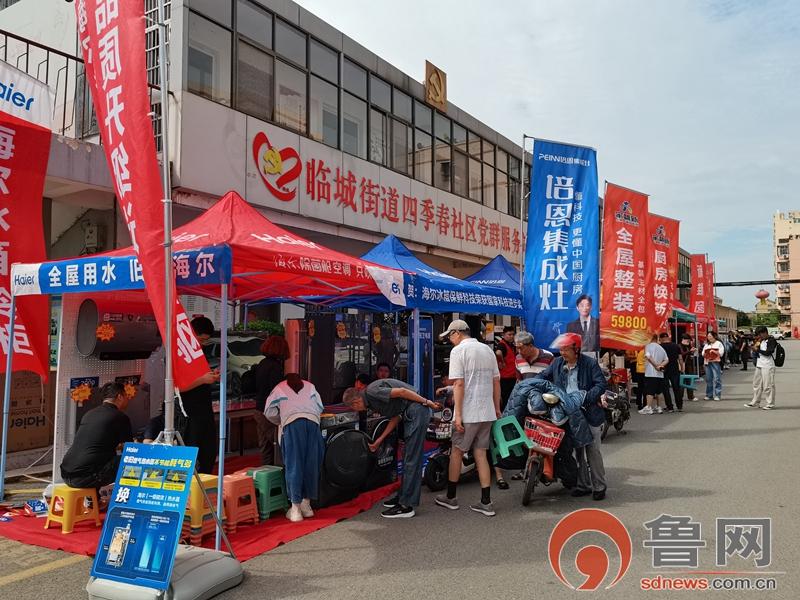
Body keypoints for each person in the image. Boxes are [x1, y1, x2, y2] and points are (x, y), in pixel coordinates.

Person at [343, 380, 440, 519]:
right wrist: (379, 440)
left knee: (411, 459)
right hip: (411, 412)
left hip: (416, 411)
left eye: (354, 408)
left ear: (356, 402)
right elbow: (396, 416)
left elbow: (402, 392)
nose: (357, 411)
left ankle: (406, 506)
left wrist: (427, 402)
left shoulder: (372, 392)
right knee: (408, 457)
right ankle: (402, 496)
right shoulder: (370, 399)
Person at [434, 319, 501, 516]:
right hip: (487, 411)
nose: (450, 340)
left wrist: (458, 415)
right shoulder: (487, 350)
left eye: (450, 336)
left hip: (469, 412)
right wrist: (497, 408)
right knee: (481, 453)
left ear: (456, 333)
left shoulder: (458, 351)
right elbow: (496, 382)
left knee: (456, 452)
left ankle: (451, 497)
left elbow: (459, 384)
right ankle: (486, 502)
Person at [535, 333, 607, 500]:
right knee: (578, 450)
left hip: (588, 412)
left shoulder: (589, 363)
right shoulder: (557, 363)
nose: (562, 353)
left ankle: (599, 486)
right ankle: (583, 485)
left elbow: (600, 384)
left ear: (577, 349)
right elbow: (543, 376)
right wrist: (532, 384)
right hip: (568, 412)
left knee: (593, 451)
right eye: (561, 349)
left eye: (566, 349)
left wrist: (586, 397)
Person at [265, 374, 325, 522]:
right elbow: (320, 407)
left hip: (292, 425)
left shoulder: (279, 387)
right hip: (313, 424)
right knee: (311, 464)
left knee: (294, 465)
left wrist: (282, 420)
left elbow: (268, 412)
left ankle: (295, 509)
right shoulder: (310, 386)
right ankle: (307, 505)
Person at [60, 382, 133, 491]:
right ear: (119, 397)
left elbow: (96, 443)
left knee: (100, 460)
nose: (128, 399)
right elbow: (130, 449)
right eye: (126, 395)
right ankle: (129, 497)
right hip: (85, 477)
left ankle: (95, 498)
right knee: (130, 460)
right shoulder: (120, 417)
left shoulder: (89, 414)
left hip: (66, 474)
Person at [178, 316, 221, 473]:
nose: (203, 344)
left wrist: (212, 376)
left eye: (206, 341)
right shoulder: (180, 353)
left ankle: (205, 482)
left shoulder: (201, 354)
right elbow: (176, 388)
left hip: (205, 410)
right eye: (201, 339)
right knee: (191, 454)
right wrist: (203, 379)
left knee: (208, 453)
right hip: (188, 414)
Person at [253, 335, 290, 465]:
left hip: (259, 408)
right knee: (277, 443)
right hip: (269, 411)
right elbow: (277, 390)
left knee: (265, 447)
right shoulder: (275, 367)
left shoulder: (262, 363)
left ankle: (266, 472)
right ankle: (277, 471)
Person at [745, 326, 777, 410]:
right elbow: (756, 349)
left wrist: (757, 350)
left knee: (768, 385)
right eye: (758, 334)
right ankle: (755, 401)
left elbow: (768, 352)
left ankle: (770, 403)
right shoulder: (760, 340)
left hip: (768, 365)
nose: (759, 336)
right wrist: (754, 347)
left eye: (760, 334)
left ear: (765, 332)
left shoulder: (771, 340)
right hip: (760, 364)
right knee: (756, 384)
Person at [639, 333, 669, 415]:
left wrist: (656, 366)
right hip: (660, 374)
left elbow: (648, 356)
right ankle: (659, 407)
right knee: (659, 391)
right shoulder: (661, 348)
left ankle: (648, 407)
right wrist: (661, 365)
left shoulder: (648, 346)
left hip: (650, 372)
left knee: (649, 391)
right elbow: (667, 359)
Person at [494, 326, 518, 410]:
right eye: (509, 334)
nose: (511, 336)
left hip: (512, 377)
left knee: (509, 398)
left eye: (513, 334)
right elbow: (498, 353)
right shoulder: (502, 344)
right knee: (505, 399)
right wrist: (502, 361)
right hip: (505, 378)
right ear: (503, 335)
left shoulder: (511, 345)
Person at [659, 332, 683, 412]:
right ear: (668, 337)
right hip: (675, 369)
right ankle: (679, 406)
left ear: (661, 338)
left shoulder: (660, 347)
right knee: (676, 388)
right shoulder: (676, 346)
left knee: (666, 389)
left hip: (664, 370)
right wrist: (682, 368)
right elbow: (680, 358)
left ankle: (670, 407)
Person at [702, 330, 725, 401]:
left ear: (714, 336)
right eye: (708, 336)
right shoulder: (707, 344)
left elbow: (721, 353)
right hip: (707, 362)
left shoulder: (719, 343)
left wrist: (714, 351)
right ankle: (709, 395)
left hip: (715, 362)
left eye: (710, 336)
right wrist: (705, 353)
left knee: (717, 379)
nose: (709, 338)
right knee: (708, 379)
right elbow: (702, 353)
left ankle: (717, 395)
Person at [679, 334, 697, 402]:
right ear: (683, 339)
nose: (689, 342)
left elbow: (689, 354)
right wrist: (690, 351)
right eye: (688, 340)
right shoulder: (679, 346)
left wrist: (693, 352)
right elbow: (681, 354)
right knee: (682, 381)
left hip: (689, 365)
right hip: (682, 365)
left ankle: (691, 396)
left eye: (689, 341)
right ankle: (680, 396)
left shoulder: (688, 346)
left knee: (689, 381)